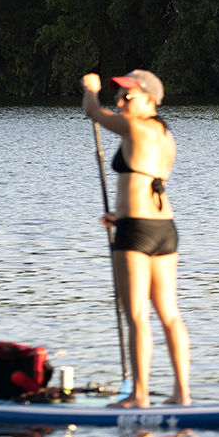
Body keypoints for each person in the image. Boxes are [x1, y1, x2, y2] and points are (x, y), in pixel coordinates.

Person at [83, 69, 191, 407]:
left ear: (148, 99)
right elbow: (150, 183)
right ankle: (181, 394)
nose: (119, 101)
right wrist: (119, 214)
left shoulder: (135, 126)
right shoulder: (166, 136)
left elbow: (93, 113)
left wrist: (91, 90)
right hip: (164, 228)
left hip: (137, 233)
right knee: (169, 313)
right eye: (117, 95)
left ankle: (140, 395)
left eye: (127, 96)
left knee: (137, 315)